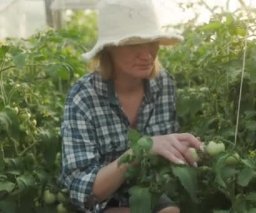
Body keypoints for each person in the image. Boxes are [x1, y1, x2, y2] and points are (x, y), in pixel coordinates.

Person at [59, 0, 203, 212]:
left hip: (147, 192)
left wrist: (185, 150)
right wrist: (141, 149)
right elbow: (85, 192)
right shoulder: (84, 98)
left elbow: (162, 155)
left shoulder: (163, 85)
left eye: (152, 42)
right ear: (110, 49)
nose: (147, 55)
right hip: (102, 202)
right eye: (134, 45)